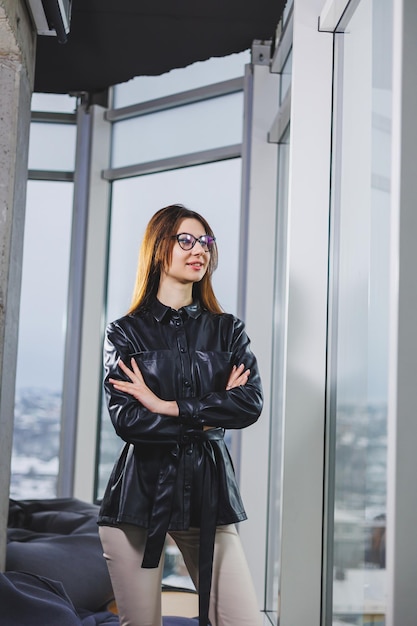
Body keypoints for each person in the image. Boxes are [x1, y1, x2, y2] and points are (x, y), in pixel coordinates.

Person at [98, 204, 263, 626]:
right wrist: (210, 412)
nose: (199, 250)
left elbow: (249, 404)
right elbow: (130, 422)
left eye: (205, 242)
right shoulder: (125, 332)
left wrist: (167, 406)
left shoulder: (229, 331)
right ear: (159, 249)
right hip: (137, 502)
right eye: (185, 240)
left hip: (209, 495)